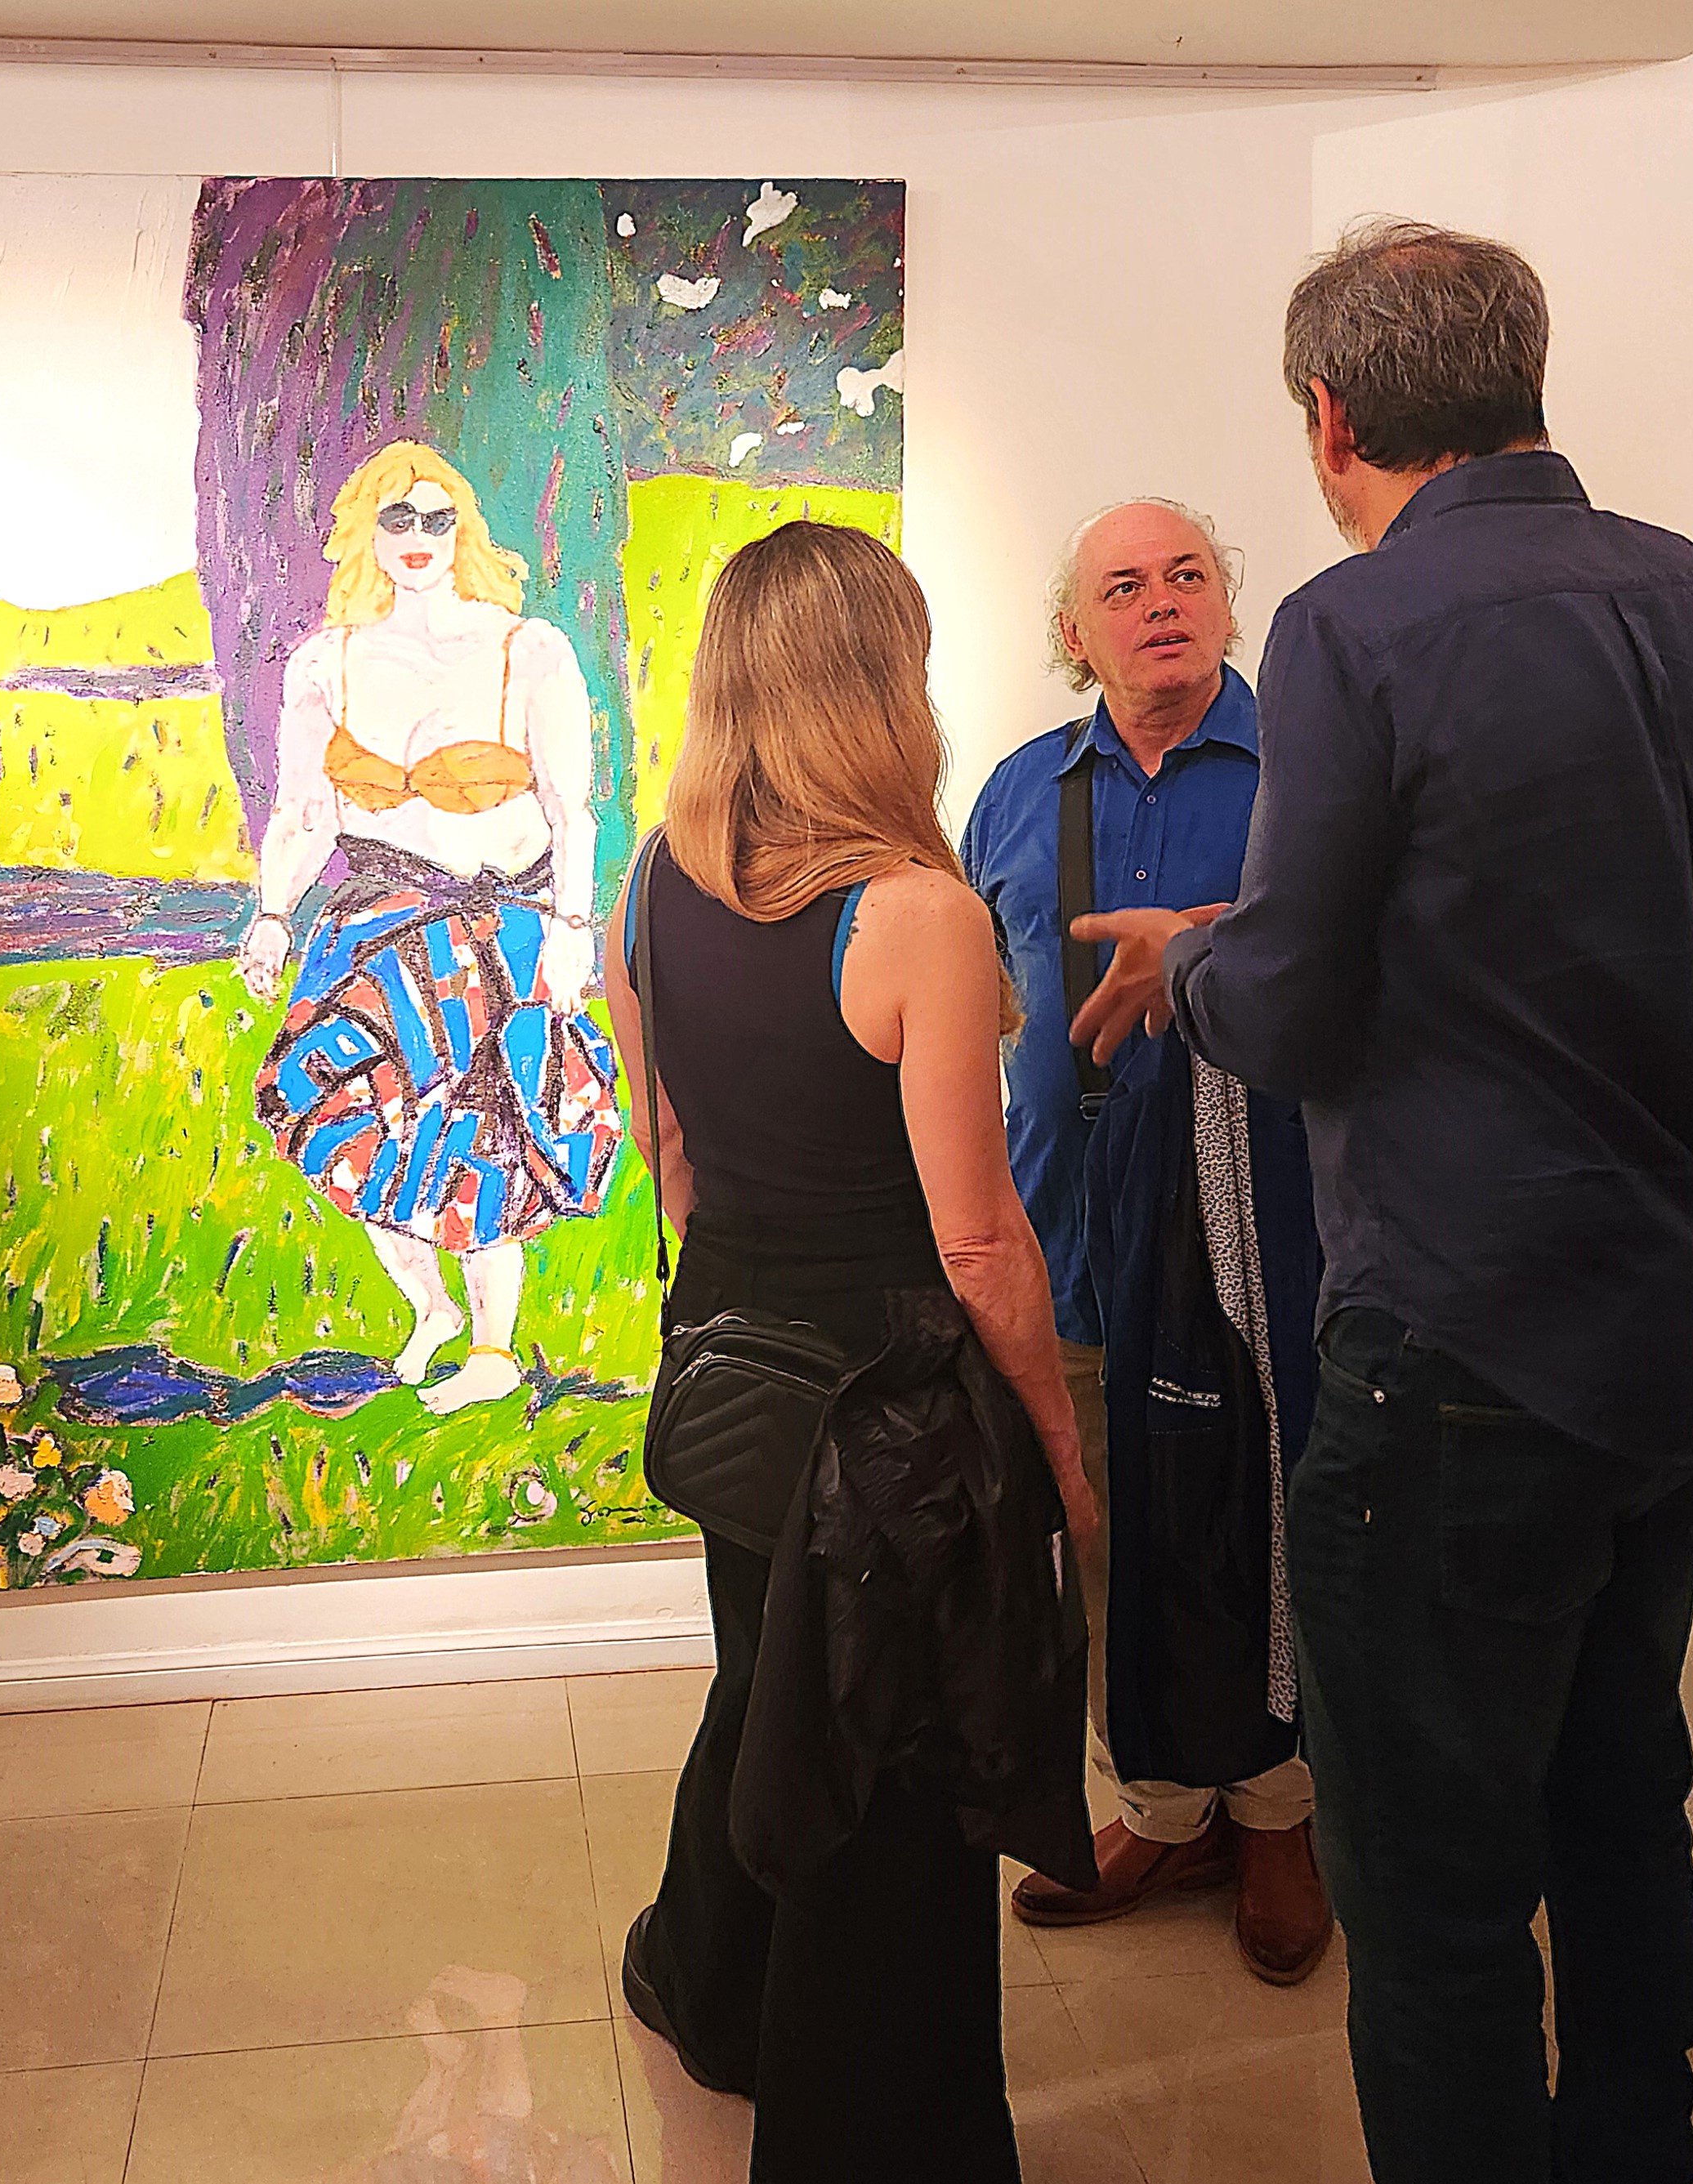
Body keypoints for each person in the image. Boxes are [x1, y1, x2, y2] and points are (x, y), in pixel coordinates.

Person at [1070, 220, 1693, 2183]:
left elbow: (1288, 1001)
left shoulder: (1356, 627)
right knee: (1616, 1791)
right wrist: (1643, 1131)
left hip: (1460, 1359)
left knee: (1426, 1886)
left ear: (1328, 419)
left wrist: (1191, 958)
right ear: (1522, 377)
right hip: (1689, 1341)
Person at [602, 520, 1099, 2182]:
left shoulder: (649, 879)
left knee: (766, 1683)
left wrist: (721, 1306)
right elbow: (978, 1241)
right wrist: (1056, 1445)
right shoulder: (913, 913)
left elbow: (666, 1147)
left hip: (730, 1363)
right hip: (887, 1408)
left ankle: (707, 1985)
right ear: (881, 679)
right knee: (887, 1770)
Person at [961, 499, 1332, 1984]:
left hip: (1278, 1252)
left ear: (1226, 609)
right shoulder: (1013, 794)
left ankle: (1280, 1813)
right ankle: (1163, 1807)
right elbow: (982, 1011)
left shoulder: (1313, 768)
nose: (1160, 602)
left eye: (1187, 576)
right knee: (1111, 1534)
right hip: (1072, 1242)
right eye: (1123, 585)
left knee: (1271, 1525)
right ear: (1075, 631)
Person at [238, 439, 622, 1415]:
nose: (417, 537)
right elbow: (303, 813)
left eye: (436, 518)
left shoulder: (528, 650)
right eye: (396, 519)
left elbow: (573, 811)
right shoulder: (325, 662)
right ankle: (431, 1308)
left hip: (500, 931)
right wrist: (273, 914)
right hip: (374, 931)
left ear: (464, 531)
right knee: (348, 1123)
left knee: (486, 1130)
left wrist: (573, 927)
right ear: (365, 534)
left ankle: (492, 1352)